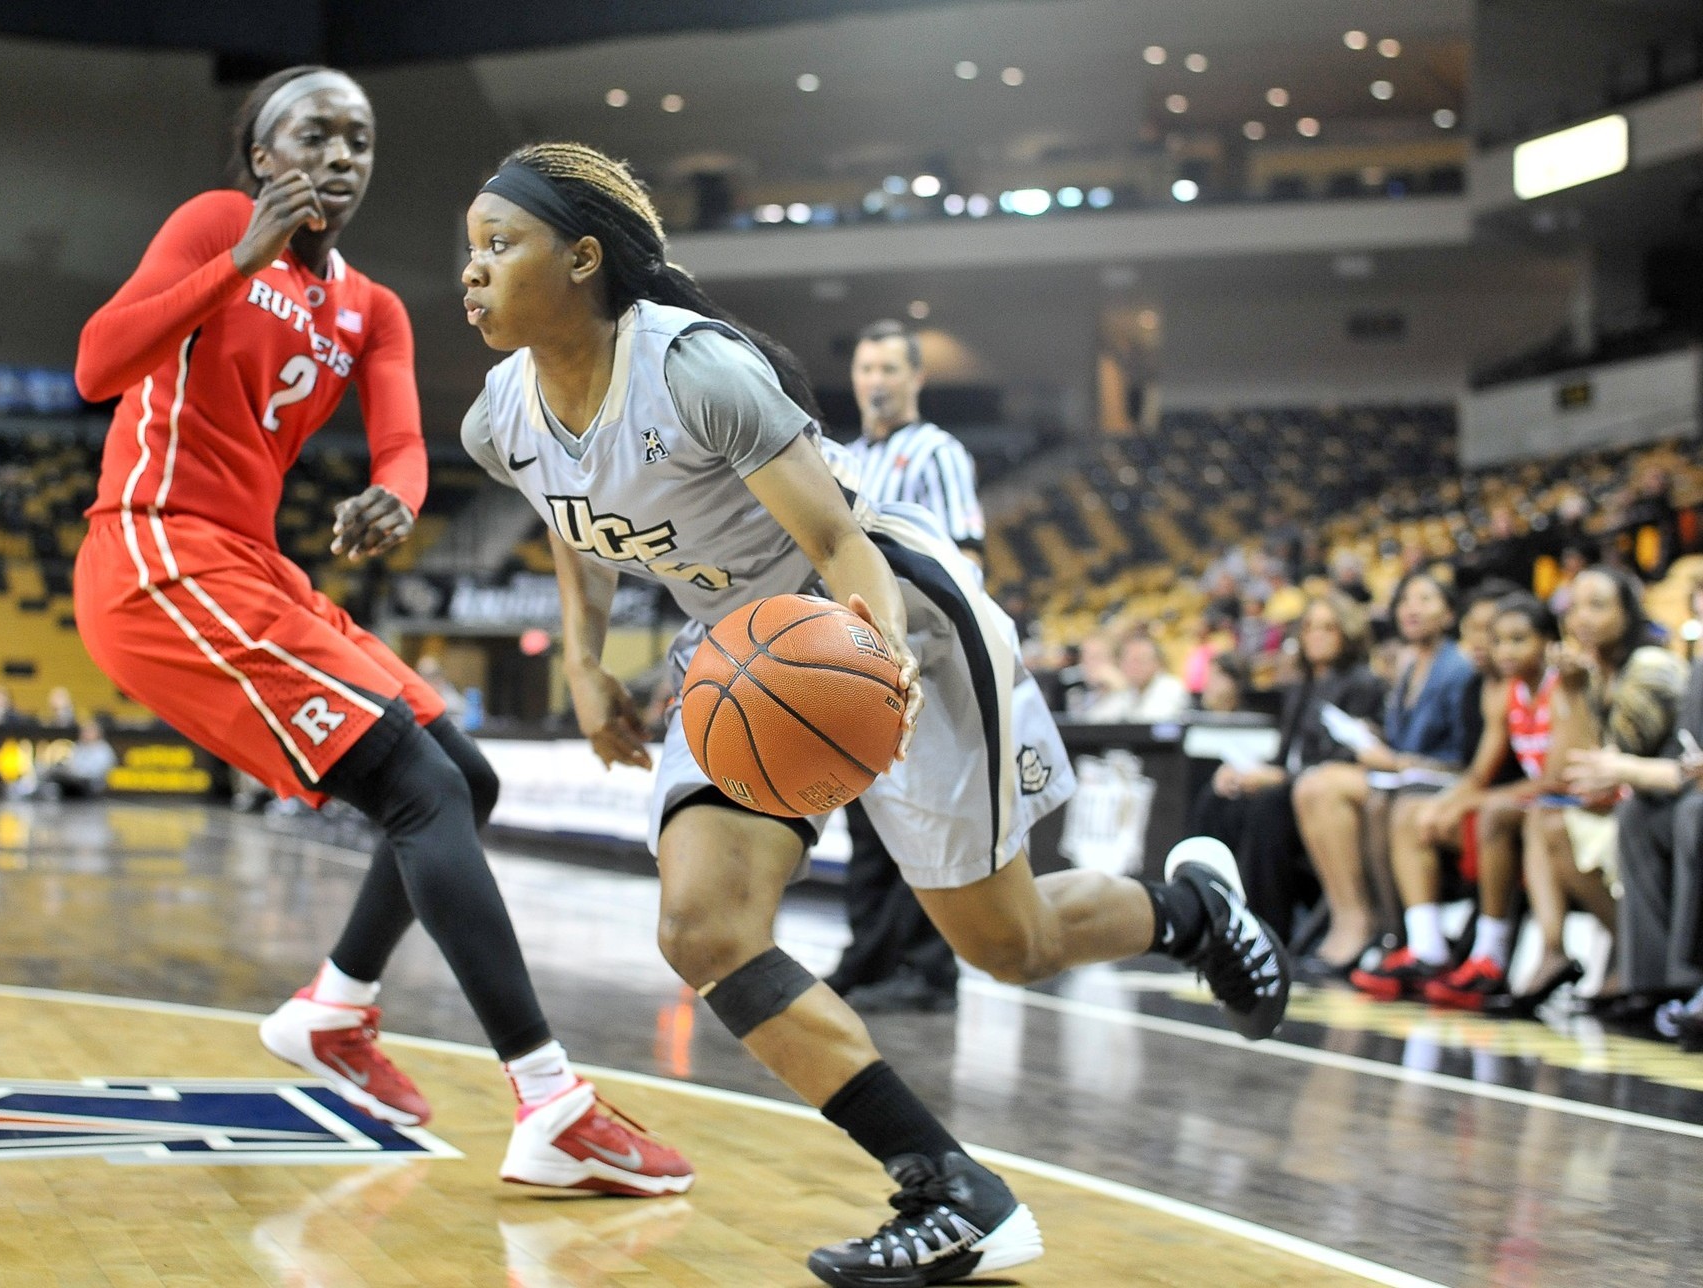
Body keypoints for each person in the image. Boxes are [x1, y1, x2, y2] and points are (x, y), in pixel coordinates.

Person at [457, 141, 1287, 1285]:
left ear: (584, 257)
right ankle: (948, 1188)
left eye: (500, 244)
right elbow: (570, 507)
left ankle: (1190, 911)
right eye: (469, 249)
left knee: (1008, 944)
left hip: (881, 611)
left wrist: (878, 656)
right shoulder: (499, 414)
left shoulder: (692, 368)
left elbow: (841, 539)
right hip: (744, 650)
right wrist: (587, 659)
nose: (474, 269)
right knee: (702, 928)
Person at [71, 69, 687, 1198]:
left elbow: (401, 444)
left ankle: (333, 1010)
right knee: (420, 791)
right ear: (261, 156)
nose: (343, 153)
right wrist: (237, 259)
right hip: (154, 552)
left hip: (250, 563)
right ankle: (550, 1100)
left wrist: (398, 496)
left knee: (466, 774)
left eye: (360, 137)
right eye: (315, 132)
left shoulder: (372, 306)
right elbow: (96, 365)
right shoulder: (216, 226)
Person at [818, 318, 981, 1016]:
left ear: (916, 378)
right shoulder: (844, 460)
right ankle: (869, 954)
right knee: (868, 817)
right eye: (866, 368)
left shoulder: (937, 453)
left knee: (921, 818)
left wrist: (932, 641)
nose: (876, 381)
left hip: (922, 660)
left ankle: (926, 969)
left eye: (890, 369)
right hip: (861, 662)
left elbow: (965, 558)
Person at [1359, 594, 1555, 1006]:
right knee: (1412, 813)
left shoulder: (1549, 684)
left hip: (1540, 807)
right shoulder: (1497, 689)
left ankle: (1490, 955)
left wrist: (1465, 803)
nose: (1492, 646)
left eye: (1506, 637)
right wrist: (1448, 805)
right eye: (1484, 634)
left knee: (1490, 816)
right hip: (1519, 804)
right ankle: (1426, 946)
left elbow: (1551, 778)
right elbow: (1479, 774)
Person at [1516, 566, 1687, 1013]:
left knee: (1553, 823)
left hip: (1660, 805)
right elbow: (1566, 774)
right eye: (1574, 608)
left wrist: (1573, 696)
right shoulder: (1591, 673)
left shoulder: (1653, 667)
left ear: (1629, 613)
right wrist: (1570, 694)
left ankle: (1633, 956)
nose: (1582, 619)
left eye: (1598, 605)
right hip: (1630, 805)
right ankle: (1554, 952)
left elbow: (1606, 766)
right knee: (1541, 814)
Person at [1293, 570, 1473, 973]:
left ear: (1448, 613)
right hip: (1403, 777)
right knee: (1311, 786)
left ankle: (1367, 922)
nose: (1412, 608)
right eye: (1406, 600)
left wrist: (1400, 762)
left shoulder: (1457, 668)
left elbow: (1466, 755)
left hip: (1436, 782)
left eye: (1425, 599)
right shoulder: (1411, 666)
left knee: (1325, 786)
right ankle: (1347, 914)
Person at [1190, 593, 1385, 946]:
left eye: (1328, 627)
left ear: (1347, 633)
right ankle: (1210, 912)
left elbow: (1351, 757)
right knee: (1218, 795)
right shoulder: (1300, 687)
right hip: (1291, 783)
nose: (1317, 635)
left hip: (1324, 794)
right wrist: (1244, 772)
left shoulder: (1363, 684)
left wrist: (1281, 777)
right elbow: (1284, 758)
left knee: (1269, 804)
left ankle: (1265, 930)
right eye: (1309, 627)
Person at [1082, 630, 1191, 722]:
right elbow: (1095, 721)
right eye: (1128, 661)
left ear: (1157, 663)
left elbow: (1150, 723)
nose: (1133, 667)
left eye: (1140, 660)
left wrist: (1120, 689)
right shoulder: (1129, 689)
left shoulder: (1170, 687)